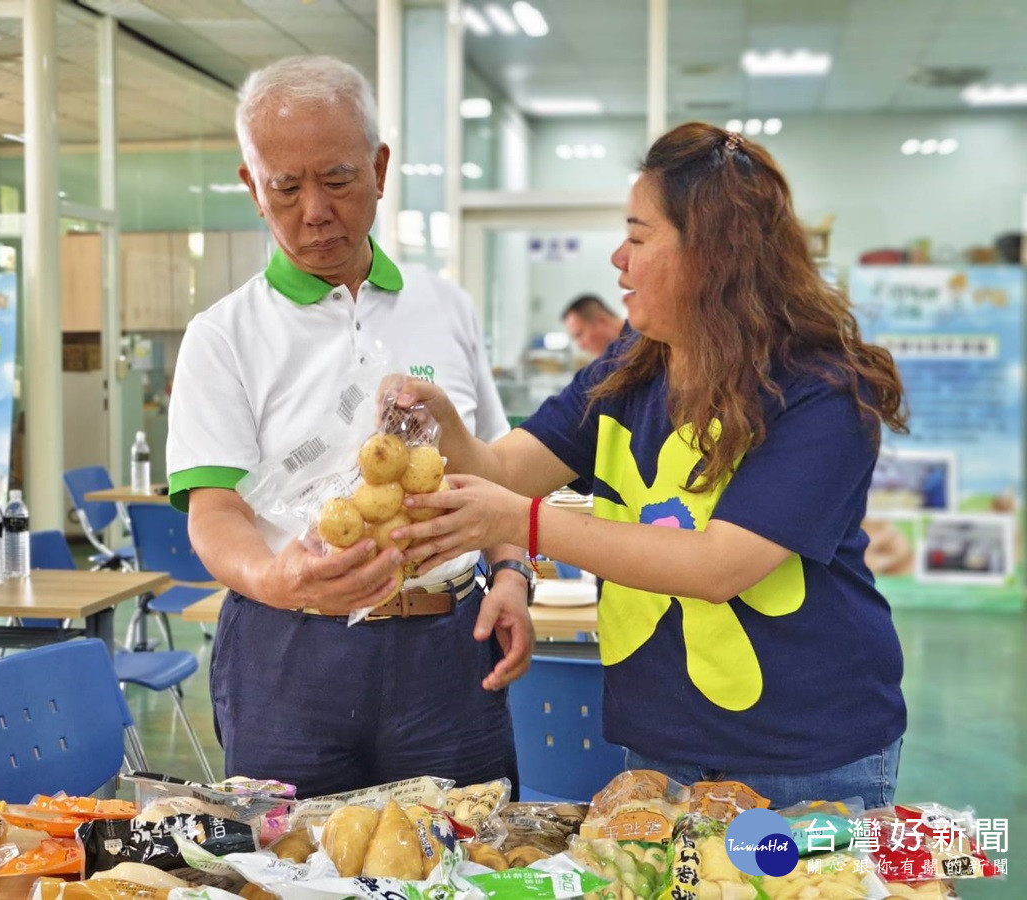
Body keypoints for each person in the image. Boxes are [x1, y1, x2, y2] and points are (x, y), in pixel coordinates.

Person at [392, 123, 909, 809]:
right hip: (660, 741)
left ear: (714, 256)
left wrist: (523, 523)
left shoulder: (820, 392)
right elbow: (502, 468)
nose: (618, 260)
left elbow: (718, 565)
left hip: (803, 754)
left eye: (638, 237)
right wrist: (440, 422)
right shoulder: (632, 366)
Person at [166, 55, 533, 799]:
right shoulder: (223, 335)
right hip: (289, 652)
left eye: (336, 179)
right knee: (289, 868)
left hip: (448, 644)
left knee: (471, 857)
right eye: (285, 187)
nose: (313, 210)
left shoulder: (446, 307)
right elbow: (215, 511)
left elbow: (493, 471)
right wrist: (278, 577)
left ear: (380, 167)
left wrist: (513, 573)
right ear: (251, 186)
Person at [561, 293, 626, 357]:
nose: (580, 345)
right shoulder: (615, 357)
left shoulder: (632, 350)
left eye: (579, 335)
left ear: (602, 321)